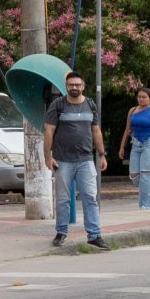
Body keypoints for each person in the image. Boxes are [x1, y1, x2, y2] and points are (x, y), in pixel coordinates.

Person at [43, 72, 111, 250]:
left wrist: (102, 155)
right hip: (63, 160)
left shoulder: (90, 104)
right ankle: (61, 232)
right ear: (66, 86)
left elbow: (96, 131)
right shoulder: (58, 105)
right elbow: (49, 131)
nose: (74, 88)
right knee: (63, 199)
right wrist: (47, 157)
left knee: (90, 197)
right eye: (70, 85)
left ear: (83, 86)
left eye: (77, 85)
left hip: (86, 160)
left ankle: (94, 235)